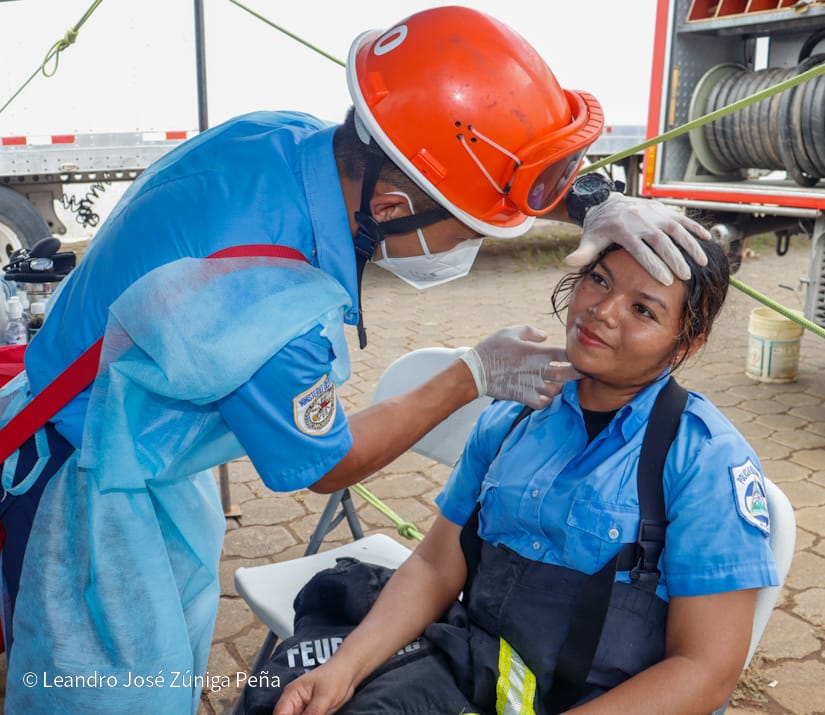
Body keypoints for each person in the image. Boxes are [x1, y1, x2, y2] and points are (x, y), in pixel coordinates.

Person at [0, 6, 710, 714]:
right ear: (396, 204)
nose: (602, 312)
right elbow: (327, 467)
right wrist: (471, 374)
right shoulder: (262, 298)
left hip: (116, 440)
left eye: (645, 307)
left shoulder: (281, 140)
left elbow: (477, 170)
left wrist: (587, 202)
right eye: (472, 230)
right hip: (89, 491)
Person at [271, 238, 779, 715]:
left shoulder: (705, 460)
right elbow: (434, 566)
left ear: (687, 343)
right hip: (483, 674)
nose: (602, 311)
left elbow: (706, 670)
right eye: (599, 280)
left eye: (643, 309)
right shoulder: (513, 416)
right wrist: (345, 668)